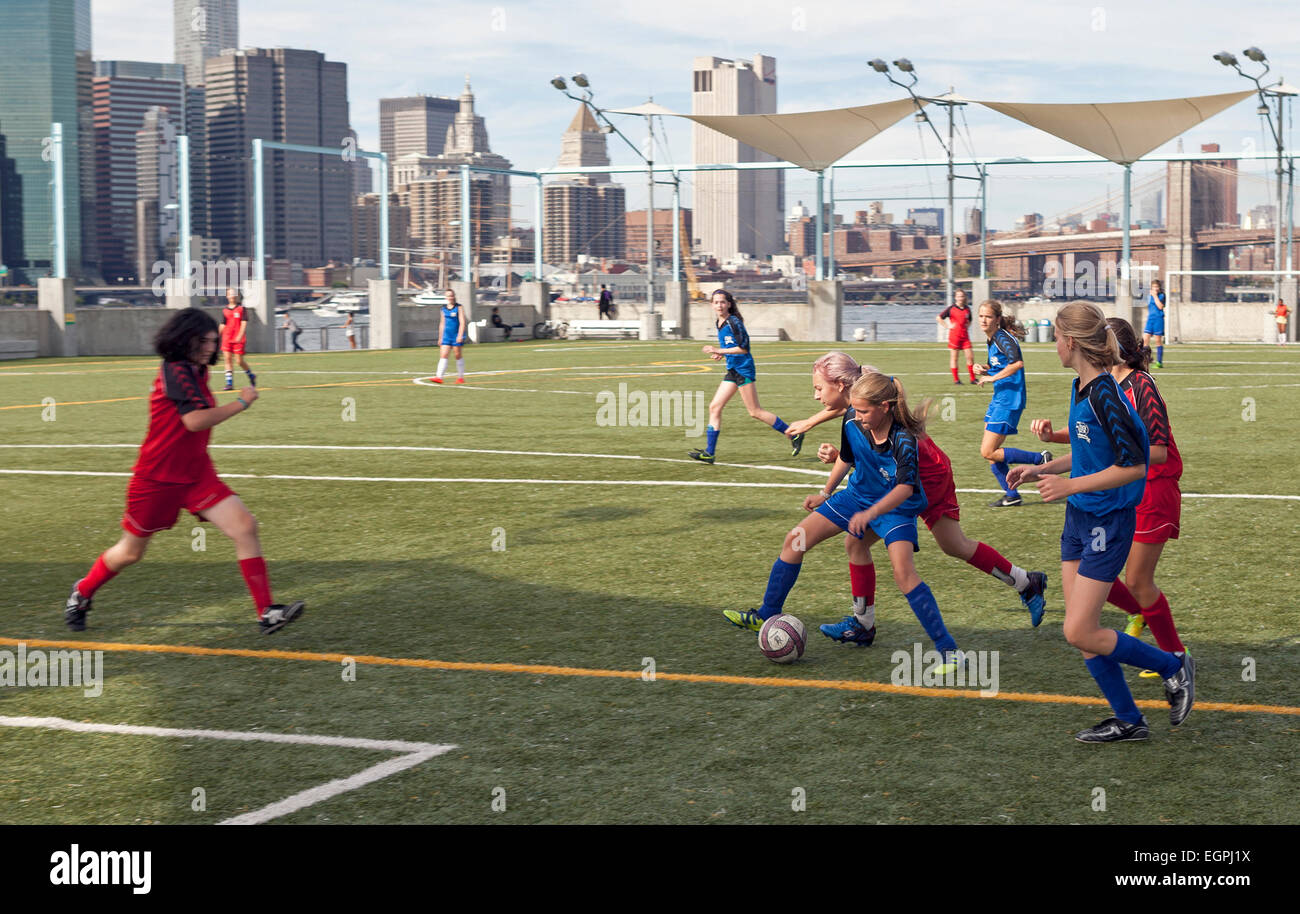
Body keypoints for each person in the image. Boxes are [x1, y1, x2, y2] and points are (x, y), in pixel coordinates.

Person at [1007, 302, 1193, 742]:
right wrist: (1044, 469)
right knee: (1082, 633)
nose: (1053, 344)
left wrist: (1070, 486)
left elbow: (1135, 466)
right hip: (1080, 518)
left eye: (1055, 337)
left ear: (1070, 342)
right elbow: (1096, 455)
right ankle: (1129, 720)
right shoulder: (1082, 387)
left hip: (1107, 521)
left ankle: (1174, 666)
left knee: (1078, 629)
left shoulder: (1108, 393)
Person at [63, 308, 304, 636]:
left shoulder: (197, 371)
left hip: (195, 473)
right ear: (183, 339)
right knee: (131, 552)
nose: (210, 348)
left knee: (245, 526)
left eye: (212, 341)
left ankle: (267, 612)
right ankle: (83, 592)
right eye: (202, 341)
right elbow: (193, 421)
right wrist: (242, 403)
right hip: (157, 477)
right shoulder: (176, 370)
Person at [778, 352, 1048, 643]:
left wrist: (844, 468)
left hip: (927, 480)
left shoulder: (873, 409)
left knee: (951, 546)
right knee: (856, 545)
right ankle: (862, 624)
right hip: (903, 480)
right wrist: (831, 451)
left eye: (819, 388)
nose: (816, 395)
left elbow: (888, 466)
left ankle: (1023, 584)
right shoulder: (862, 407)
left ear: (841, 386)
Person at [724, 372, 966, 673]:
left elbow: (905, 488)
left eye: (864, 410)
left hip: (894, 507)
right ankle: (767, 612)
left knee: (904, 575)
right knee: (795, 539)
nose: (857, 415)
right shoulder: (852, 419)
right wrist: (825, 493)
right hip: (856, 496)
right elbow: (848, 456)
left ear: (886, 407)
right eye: (855, 408)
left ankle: (949, 650)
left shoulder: (904, 439)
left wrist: (871, 513)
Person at [1031, 318, 1186, 673]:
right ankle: (1139, 618)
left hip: (1152, 490)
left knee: (1137, 580)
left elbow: (1157, 451)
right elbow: (1097, 442)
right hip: (1115, 491)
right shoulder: (1096, 386)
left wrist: (1123, 461)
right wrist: (1052, 441)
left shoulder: (1140, 385)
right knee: (1098, 572)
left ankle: (1176, 658)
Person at [688, 289, 801, 463]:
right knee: (714, 407)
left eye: (723, 302)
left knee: (755, 411)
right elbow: (731, 347)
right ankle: (709, 453)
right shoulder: (719, 322)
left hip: (743, 370)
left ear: (729, 304)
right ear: (712, 305)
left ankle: (793, 434)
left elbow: (744, 348)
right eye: (716, 302)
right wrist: (722, 354)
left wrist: (718, 350)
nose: (719, 305)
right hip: (733, 370)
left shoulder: (734, 322)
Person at [973, 299, 1049, 506]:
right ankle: (1012, 496)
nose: (983, 320)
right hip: (1000, 398)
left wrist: (992, 378)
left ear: (997, 319)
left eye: (988, 316)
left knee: (987, 451)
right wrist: (986, 369)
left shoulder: (1002, 337)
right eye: (981, 316)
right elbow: (1001, 364)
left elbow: (1017, 363)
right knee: (992, 455)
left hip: (1010, 399)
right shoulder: (993, 339)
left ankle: (1039, 459)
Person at [936, 288, 976, 384]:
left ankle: (973, 379)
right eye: (958, 296)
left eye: (962, 296)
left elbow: (970, 320)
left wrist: (967, 326)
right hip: (955, 336)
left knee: (970, 357)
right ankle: (956, 380)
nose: (960, 298)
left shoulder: (967, 309)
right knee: (954, 358)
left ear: (964, 297)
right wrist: (948, 326)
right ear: (955, 298)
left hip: (965, 336)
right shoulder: (951, 308)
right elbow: (939, 318)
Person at [219, 287, 255, 391]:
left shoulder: (241, 309)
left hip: (238, 339)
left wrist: (240, 335)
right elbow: (223, 324)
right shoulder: (225, 310)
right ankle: (229, 384)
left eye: (233, 294)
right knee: (227, 359)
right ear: (227, 296)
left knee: (239, 361)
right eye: (230, 294)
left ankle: (251, 375)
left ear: (237, 295)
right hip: (227, 337)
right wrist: (217, 335)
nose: (232, 296)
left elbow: (244, 323)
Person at [432, 289, 466, 384]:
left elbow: (462, 322)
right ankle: (439, 377)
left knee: (457, 355)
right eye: (448, 296)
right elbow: (442, 324)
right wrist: (440, 337)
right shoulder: (443, 309)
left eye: (451, 295)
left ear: (454, 296)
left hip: (456, 335)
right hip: (446, 336)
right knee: (443, 355)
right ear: (446, 297)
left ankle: (460, 377)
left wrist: (460, 335)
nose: (450, 297)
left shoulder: (459, 307)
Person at [1143, 279, 1166, 367]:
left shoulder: (1161, 296)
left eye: (1157, 287)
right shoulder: (1149, 296)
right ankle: (1146, 360)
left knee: (1157, 340)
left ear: (1159, 288)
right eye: (1154, 287)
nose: (1155, 288)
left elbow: (1160, 306)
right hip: (1150, 319)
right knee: (1145, 339)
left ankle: (1159, 362)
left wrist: (1155, 296)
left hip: (1158, 319)